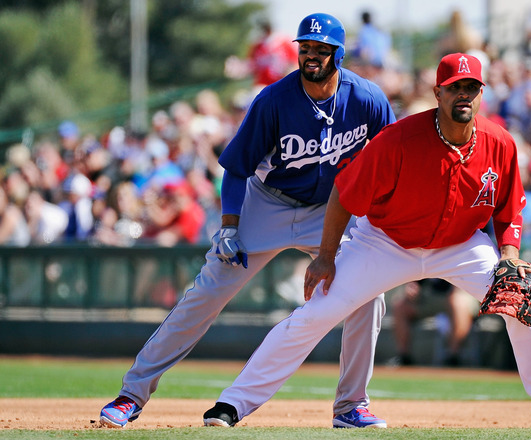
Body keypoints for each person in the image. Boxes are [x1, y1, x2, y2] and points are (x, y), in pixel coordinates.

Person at [207, 53, 531, 430]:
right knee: (316, 313)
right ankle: (233, 403)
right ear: (438, 92)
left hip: (461, 246)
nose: (463, 95)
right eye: (455, 88)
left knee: (517, 300)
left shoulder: (499, 143)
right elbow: (343, 194)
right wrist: (326, 257)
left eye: (471, 88)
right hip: (385, 242)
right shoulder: (399, 139)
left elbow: (510, 206)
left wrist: (510, 254)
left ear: (481, 93)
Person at [98, 13, 395, 429]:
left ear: (338, 54)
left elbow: (391, 160)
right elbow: (237, 168)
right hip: (267, 203)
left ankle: (351, 406)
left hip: (333, 208)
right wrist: (230, 226)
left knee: (368, 293)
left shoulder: (367, 99)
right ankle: (132, 395)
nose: (311, 55)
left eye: (321, 49)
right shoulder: (274, 100)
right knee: (206, 294)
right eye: (305, 47)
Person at [388, 279, 477, 367]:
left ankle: (453, 357)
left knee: (457, 302)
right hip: (432, 295)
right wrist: (411, 285)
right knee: (400, 307)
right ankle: (404, 358)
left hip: (461, 292)